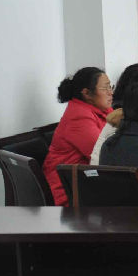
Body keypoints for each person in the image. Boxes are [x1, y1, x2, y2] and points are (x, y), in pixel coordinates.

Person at [43, 67, 113, 206]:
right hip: (69, 190)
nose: (111, 92)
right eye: (105, 88)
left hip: (86, 181)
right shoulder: (79, 117)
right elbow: (103, 155)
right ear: (86, 93)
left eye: (110, 86)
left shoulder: (101, 109)